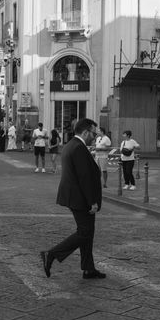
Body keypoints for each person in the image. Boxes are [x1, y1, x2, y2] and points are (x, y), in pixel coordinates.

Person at [40, 118, 105, 280]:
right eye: (93, 133)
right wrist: (92, 201)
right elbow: (84, 177)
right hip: (80, 198)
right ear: (85, 132)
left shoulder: (72, 145)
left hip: (75, 196)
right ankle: (52, 254)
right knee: (84, 232)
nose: (95, 136)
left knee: (87, 232)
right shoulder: (78, 148)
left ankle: (88, 268)